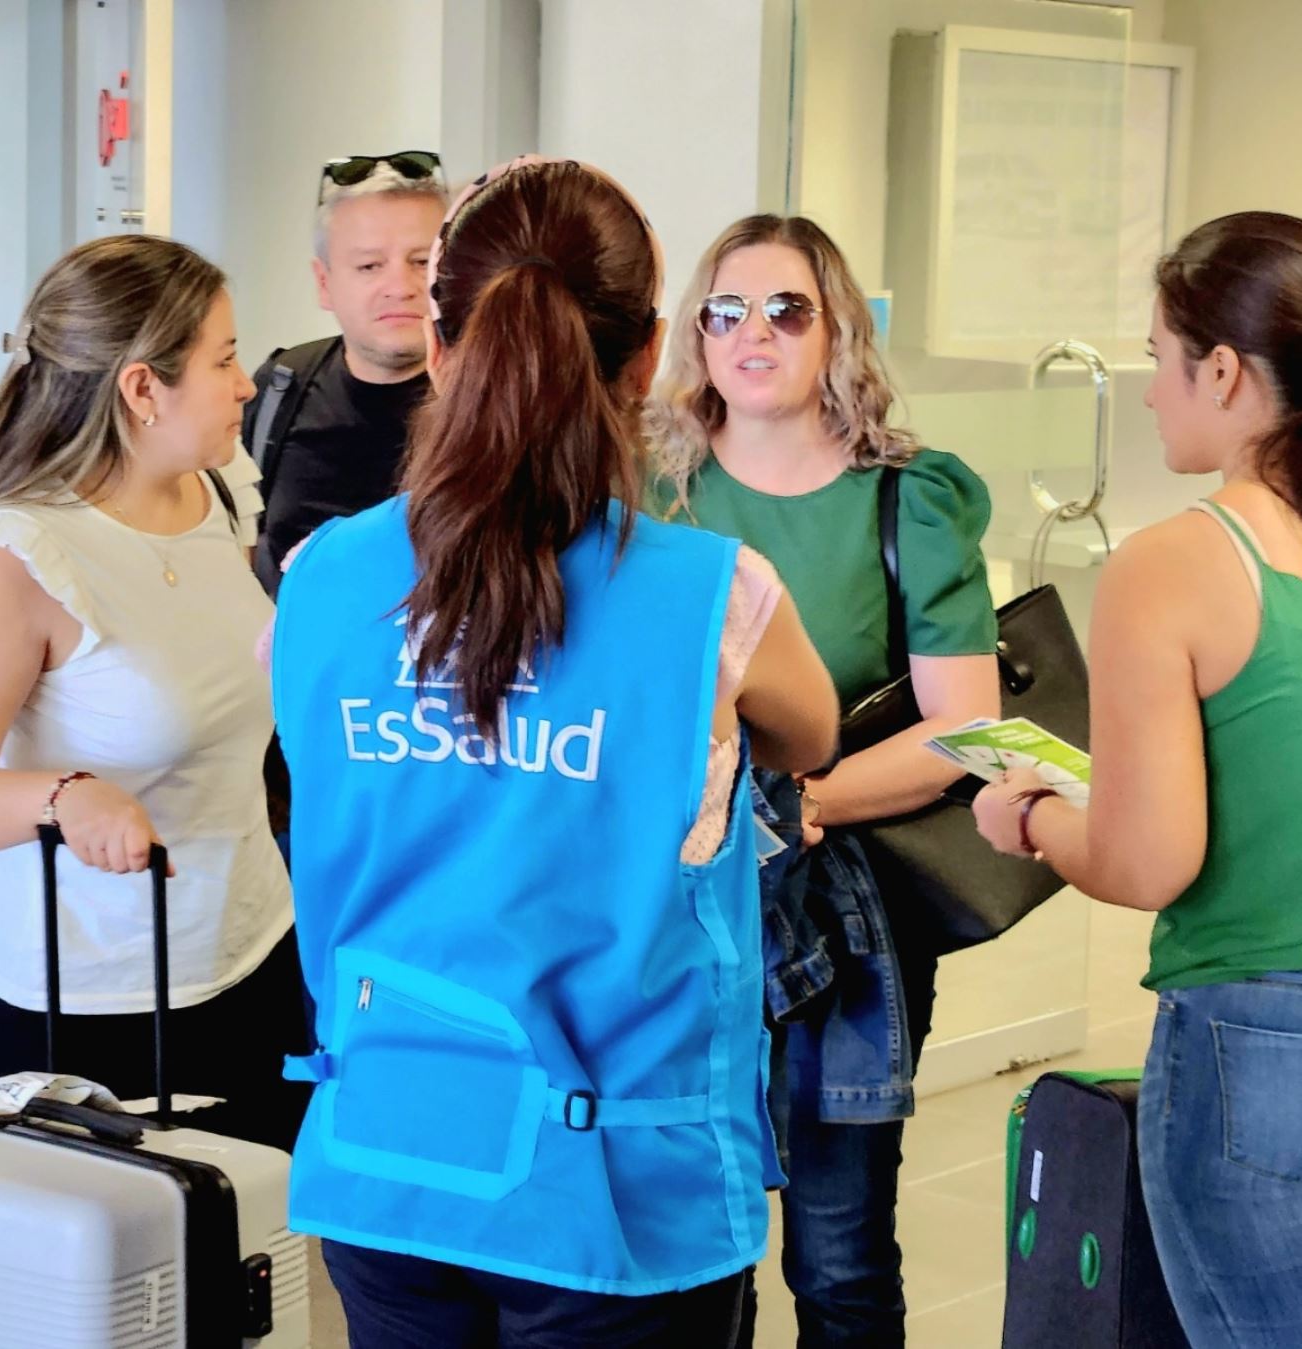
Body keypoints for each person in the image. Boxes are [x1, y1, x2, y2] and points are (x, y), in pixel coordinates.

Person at [270, 157, 839, 1349]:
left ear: (439, 343)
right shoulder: (712, 599)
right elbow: (814, 730)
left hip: (390, 1145)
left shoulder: (322, 576)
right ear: (644, 364)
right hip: (618, 1185)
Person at [973, 211, 1302, 1349]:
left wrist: (1033, 812)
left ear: (1223, 369)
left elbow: (1147, 858)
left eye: (1162, 360)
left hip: (1271, 1055)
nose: (1155, 391)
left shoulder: (1174, 565)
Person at [648, 215, 1000, 1348]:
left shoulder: (910, 498)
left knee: (839, 1251)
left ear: (837, 329)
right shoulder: (652, 494)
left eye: (787, 309)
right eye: (726, 310)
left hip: (855, 915)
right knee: (700, 1238)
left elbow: (967, 723)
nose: (754, 333)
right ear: (693, 333)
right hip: (681, 914)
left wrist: (814, 802)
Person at [0, 234, 306, 1151]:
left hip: (252, 952)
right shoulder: (17, 554)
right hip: (79, 1000)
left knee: (247, 1267)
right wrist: (63, 797)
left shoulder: (220, 492)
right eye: (225, 360)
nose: (247, 385)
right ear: (143, 388)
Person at [246, 151, 448, 595]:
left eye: (421, 261)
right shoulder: (280, 387)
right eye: (370, 266)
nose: (400, 287)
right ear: (324, 283)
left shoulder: (494, 400)